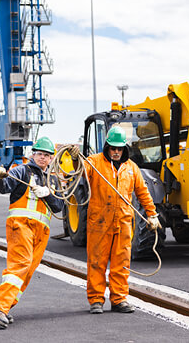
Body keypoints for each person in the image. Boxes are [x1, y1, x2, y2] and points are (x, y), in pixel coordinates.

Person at [70, 126, 161, 314]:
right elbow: (80, 171)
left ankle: (119, 299)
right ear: (107, 147)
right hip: (99, 222)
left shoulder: (131, 168)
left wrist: (152, 214)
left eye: (119, 149)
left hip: (123, 223)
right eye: (113, 148)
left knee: (121, 262)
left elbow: (143, 192)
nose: (116, 152)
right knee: (96, 262)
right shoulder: (94, 162)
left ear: (124, 149)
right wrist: (74, 158)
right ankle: (96, 300)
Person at [0, 136, 64, 329]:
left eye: (47, 155)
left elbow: (59, 207)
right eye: (39, 154)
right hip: (21, 226)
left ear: (51, 158)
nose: (43, 158)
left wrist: (48, 194)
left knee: (26, 272)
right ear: (32, 155)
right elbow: (4, 188)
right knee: (20, 266)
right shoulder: (21, 171)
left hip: (41, 232)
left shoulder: (52, 180)